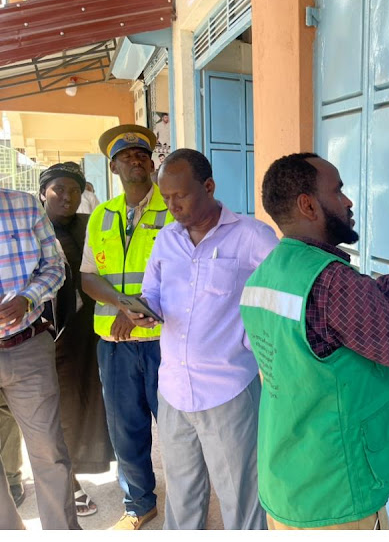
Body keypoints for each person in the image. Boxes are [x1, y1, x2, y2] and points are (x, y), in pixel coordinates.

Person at [238, 153, 389, 530]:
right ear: (308, 205)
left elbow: (355, 311)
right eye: (337, 190)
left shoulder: (269, 273)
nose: (348, 201)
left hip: (288, 483)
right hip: (336, 498)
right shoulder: (332, 285)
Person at [129, 149, 278, 529]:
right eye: (165, 198)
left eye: (180, 195)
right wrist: (139, 309)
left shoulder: (251, 236)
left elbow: (283, 294)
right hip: (174, 392)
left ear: (209, 186)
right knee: (181, 497)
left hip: (228, 391)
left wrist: (256, 342)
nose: (172, 205)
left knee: (241, 498)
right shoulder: (166, 240)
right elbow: (153, 294)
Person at [80, 124, 173, 530]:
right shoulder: (102, 215)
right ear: (114, 166)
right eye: (126, 157)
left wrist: (132, 310)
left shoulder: (173, 208)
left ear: (152, 164)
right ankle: (139, 505)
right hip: (115, 347)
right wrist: (120, 303)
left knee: (177, 430)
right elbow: (87, 276)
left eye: (142, 155)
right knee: (126, 430)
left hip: (164, 342)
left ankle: (189, 503)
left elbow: (184, 274)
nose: (136, 161)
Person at [0, 187, 79, 530]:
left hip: (27, 347)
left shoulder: (24, 205)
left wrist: (28, 299)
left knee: (49, 452)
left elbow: (54, 267)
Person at [39, 163, 115, 516]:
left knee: (85, 405)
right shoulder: (33, 230)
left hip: (89, 331)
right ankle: (64, 483)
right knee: (54, 411)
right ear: (43, 193)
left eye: (74, 190)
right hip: (44, 334)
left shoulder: (91, 225)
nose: (67, 197)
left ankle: (77, 474)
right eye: (58, 190)